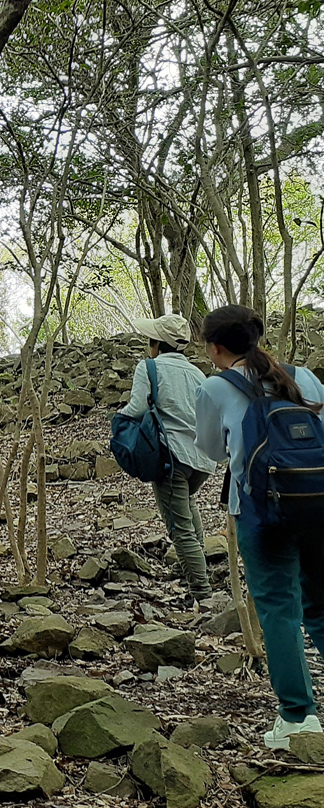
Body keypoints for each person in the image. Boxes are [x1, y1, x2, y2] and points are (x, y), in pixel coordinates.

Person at [195, 305, 324, 749]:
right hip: (317, 505)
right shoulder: (302, 376)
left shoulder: (215, 387)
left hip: (259, 513)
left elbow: (212, 450)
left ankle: (298, 719)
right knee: (321, 607)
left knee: (278, 611)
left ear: (215, 347)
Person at [116, 313, 218, 600]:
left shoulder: (148, 368)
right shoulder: (198, 374)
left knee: (179, 527)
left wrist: (117, 422)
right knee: (187, 506)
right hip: (202, 461)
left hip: (171, 457)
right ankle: (198, 572)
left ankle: (201, 591)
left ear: (156, 344)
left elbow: (136, 408)